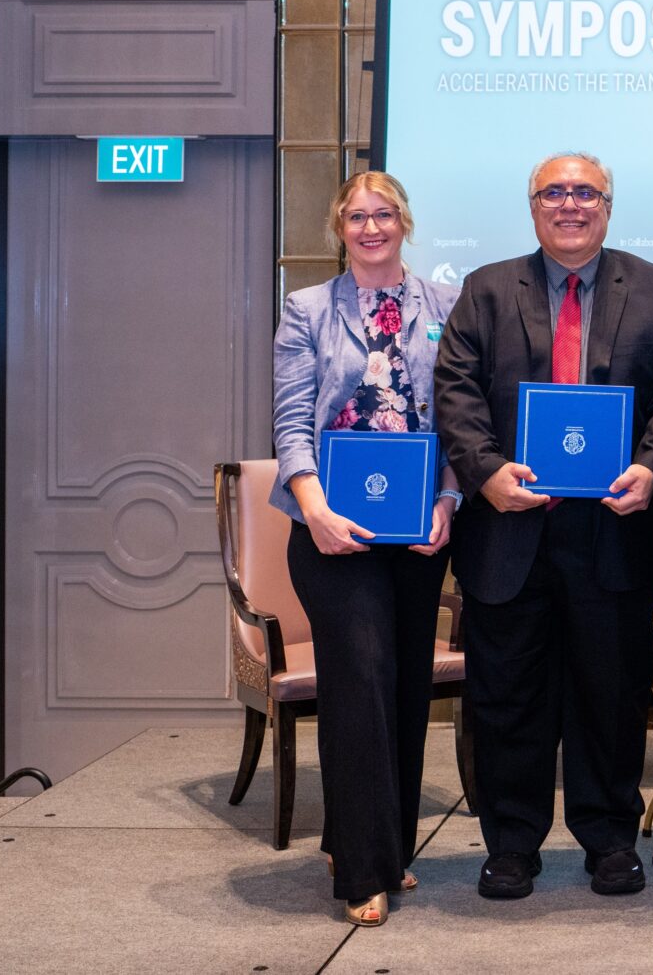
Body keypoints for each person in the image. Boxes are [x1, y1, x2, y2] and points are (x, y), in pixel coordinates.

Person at [433, 152, 653, 900]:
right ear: (533, 207)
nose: (570, 204)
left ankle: (609, 838)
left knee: (609, 696)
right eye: (555, 192)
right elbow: (454, 389)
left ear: (607, 206)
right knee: (507, 696)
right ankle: (511, 844)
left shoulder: (652, 287)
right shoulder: (487, 289)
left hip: (612, 531)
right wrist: (486, 472)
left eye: (585, 192)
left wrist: (650, 466)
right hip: (510, 531)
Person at [270, 170, 462, 927]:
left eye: (384, 214)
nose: (371, 227)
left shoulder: (445, 305)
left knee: (405, 687)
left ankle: (383, 843)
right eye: (357, 216)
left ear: (404, 222)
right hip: (330, 532)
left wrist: (447, 501)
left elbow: (459, 418)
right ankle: (362, 870)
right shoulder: (308, 309)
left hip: (417, 533)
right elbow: (291, 421)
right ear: (338, 227)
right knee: (360, 681)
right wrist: (314, 509)